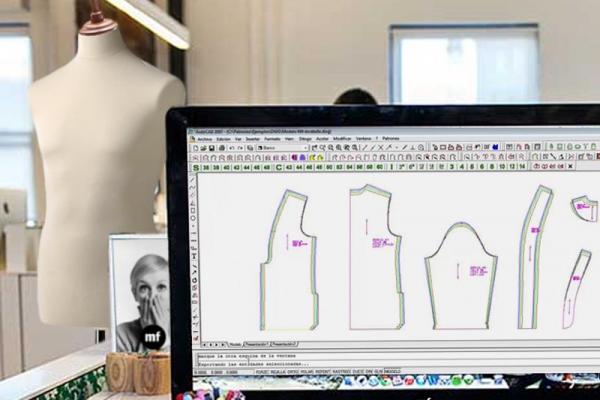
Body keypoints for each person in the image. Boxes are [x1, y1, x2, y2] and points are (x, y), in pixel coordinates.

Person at [116, 254, 170, 352]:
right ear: (135, 294)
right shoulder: (121, 334)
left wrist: (164, 341)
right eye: (144, 288)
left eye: (161, 287)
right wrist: (149, 335)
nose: (152, 296)